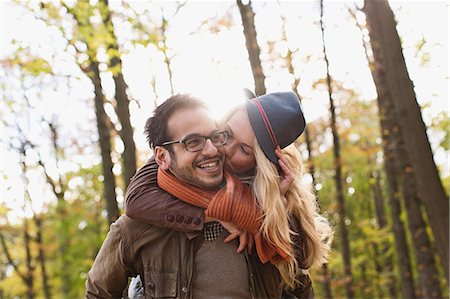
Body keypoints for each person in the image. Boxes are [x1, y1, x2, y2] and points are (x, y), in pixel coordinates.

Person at [85, 93, 318, 299]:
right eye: (193, 142)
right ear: (162, 157)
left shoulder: (265, 215)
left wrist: (276, 207)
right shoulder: (140, 224)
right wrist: (211, 214)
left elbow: (300, 280)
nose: (217, 149)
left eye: (245, 150)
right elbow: (98, 292)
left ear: (260, 162)